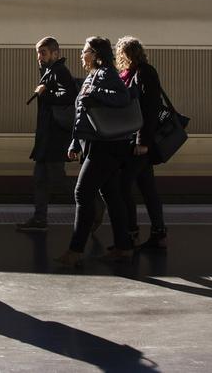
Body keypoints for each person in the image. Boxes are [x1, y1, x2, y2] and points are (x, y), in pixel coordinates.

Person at [54, 36, 135, 268]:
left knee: (82, 193)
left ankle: (76, 249)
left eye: (85, 51)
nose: (81, 54)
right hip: (98, 143)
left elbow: (123, 97)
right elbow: (83, 114)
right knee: (111, 195)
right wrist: (75, 143)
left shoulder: (106, 73)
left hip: (106, 145)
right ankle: (124, 246)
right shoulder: (93, 75)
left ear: (96, 54)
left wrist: (96, 94)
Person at [17, 37, 77, 232]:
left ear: (55, 53)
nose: (39, 57)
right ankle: (39, 218)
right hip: (46, 135)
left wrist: (45, 93)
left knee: (57, 178)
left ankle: (93, 202)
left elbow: (69, 96)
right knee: (40, 178)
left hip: (55, 136)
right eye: (38, 53)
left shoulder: (60, 71)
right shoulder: (49, 71)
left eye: (43, 53)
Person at [115, 36, 168, 249]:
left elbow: (150, 108)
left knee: (123, 186)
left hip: (140, 142)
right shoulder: (128, 74)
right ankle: (158, 233)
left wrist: (142, 141)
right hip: (132, 141)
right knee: (147, 188)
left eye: (123, 53)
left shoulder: (145, 72)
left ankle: (132, 232)